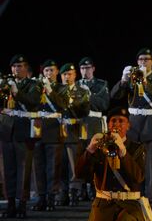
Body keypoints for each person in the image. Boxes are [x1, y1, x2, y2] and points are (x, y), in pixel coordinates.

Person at [75, 106, 148, 221]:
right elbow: (80, 175)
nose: (116, 124)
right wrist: (90, 150)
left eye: (121, 121)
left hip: (129, 205)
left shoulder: (136, 148)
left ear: (128, 126)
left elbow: (138, 177)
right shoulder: (100, 146)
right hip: (105, 206)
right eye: (113, 121)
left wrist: (123, 152)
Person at [110, 48, 152, 208]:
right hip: (133, 123)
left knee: (151, 165)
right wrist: (123, 80)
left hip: (151, 122)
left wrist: (145, 83)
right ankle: (133, 195)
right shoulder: (132, 78)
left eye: (147, 59)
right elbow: (114, 96)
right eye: (140, 59)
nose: (143, 62)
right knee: (131, 162)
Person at [0, 54, 41, 218]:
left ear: (26, 68)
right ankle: (10, 204)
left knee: (23, 170)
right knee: (8, 169)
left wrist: (17, 93)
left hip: (23, 131)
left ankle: (22, 204)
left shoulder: (34, 84)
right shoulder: (6, 84)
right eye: (15, 66)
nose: (18, 69)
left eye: (21, 66)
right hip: (7, 130)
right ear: (11, 69)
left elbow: (33, 102)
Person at [32, 59, 65, 211]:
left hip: (53, 129)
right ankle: (41, 197)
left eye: (52, 70)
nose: (49, 73)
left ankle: (51, 197)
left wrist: (50, 90)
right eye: (46, 71)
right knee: (38, 166)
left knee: (53, 166)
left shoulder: (61, 88)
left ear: (57, 72)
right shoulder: (37, 88)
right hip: (38, 129)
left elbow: (63, 105)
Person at [57, 63, 91, 207]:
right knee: (60, 163)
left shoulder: (81, 91)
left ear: (75, 75)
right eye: (64, 74)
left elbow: (85, 111)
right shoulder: (56, 90)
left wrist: (74, 103)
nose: (67, 77)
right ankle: (62, 192)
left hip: (73, 128)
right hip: (59, 129)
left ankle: (74, 192)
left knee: (73, 164)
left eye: (70, 74)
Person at [78, 56, 110, 201]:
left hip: (95, 123)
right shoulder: (76, 84)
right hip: (80, 123)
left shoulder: (101, 84)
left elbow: (104, 105)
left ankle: (94, 186)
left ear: (93, 69)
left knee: (96, 156)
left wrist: (89, 95)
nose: (85, 71)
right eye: (83, 68)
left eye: (88, 68)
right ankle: (81, 188)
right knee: (81, 156)